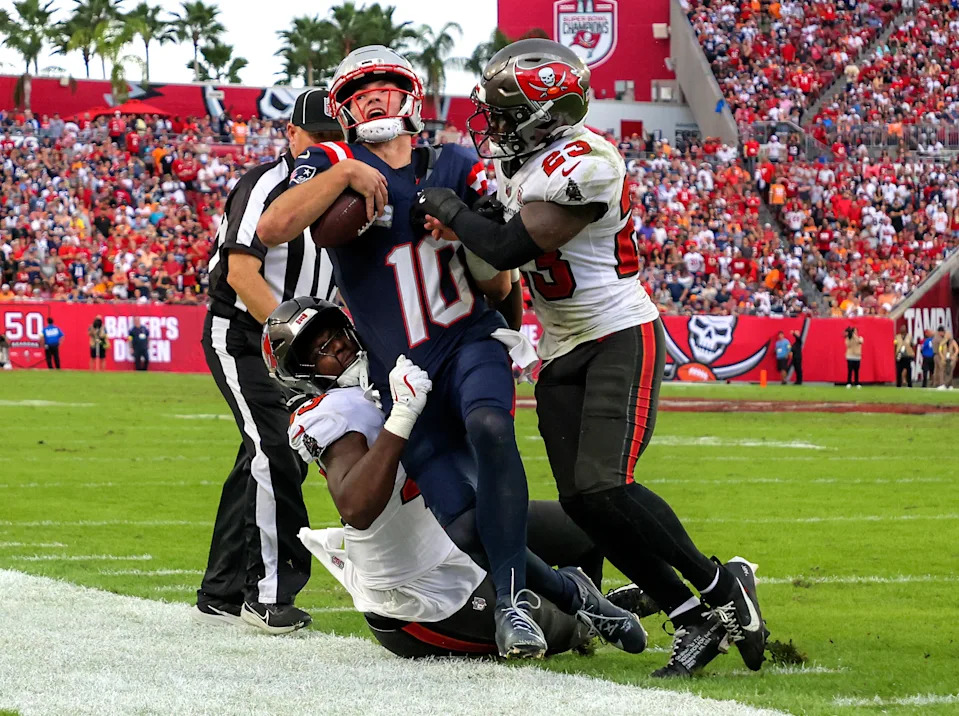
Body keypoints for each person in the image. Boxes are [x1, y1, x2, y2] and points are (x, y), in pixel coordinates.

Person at [414, 38, 767, 677]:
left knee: (606, 484)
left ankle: (719, 587)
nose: (491, 123)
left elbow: (516, 244)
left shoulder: (587, 160)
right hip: (560, 346)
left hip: (615, 334)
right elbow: (499, 260)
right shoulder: (519, 166)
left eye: (502, 110)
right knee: (582, 503)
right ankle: (689, 619)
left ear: (542, 115)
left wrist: (454, 212)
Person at [257, 47, 558, 658]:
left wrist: (474, 241)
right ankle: (585, 602)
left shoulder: (454, 161)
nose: (374, 97)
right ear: (343, 107)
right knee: (468, 522)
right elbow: (272, 228)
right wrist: (341, 177)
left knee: (492, 426)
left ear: (410, 98)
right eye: (361, 90)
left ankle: (513, 606)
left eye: (385, 87)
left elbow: (504, 253)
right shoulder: (332, 159)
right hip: (406, 373)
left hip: (467, 340)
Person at [264, 298, 651, 658]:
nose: (337, 349)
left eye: (335, 335)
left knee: (586, 526)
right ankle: (580, 617)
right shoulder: (332, 410)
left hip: (461, 534)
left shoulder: (394, 368)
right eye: (319, 350)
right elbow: (356, 506)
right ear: (301, 373)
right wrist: (402, 416)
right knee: (547, 624)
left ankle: (587, 596)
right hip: (420, 597)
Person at [194, 89, 340, 635]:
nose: (326, 145)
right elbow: (239, 273)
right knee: (277, 449)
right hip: (245, 335)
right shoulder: (265, 184)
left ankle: (222, 590)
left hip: (303, 349)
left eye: (335, 135)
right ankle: (269, 594)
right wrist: (298, 341)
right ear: (292, 136)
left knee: (262, 456)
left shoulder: (348, 190)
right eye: (317, 135)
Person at [893, 324, 914, 388]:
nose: (902, 329)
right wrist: (895, 355)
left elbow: (912, 345)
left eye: (904, 328)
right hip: (899, 354)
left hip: (907, 354)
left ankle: (909, 384)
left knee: (909, 370)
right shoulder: (897, 336)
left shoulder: (909, 336)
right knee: (898, 370)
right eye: (901, 328)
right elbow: (895, 345)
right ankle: (898, 384)